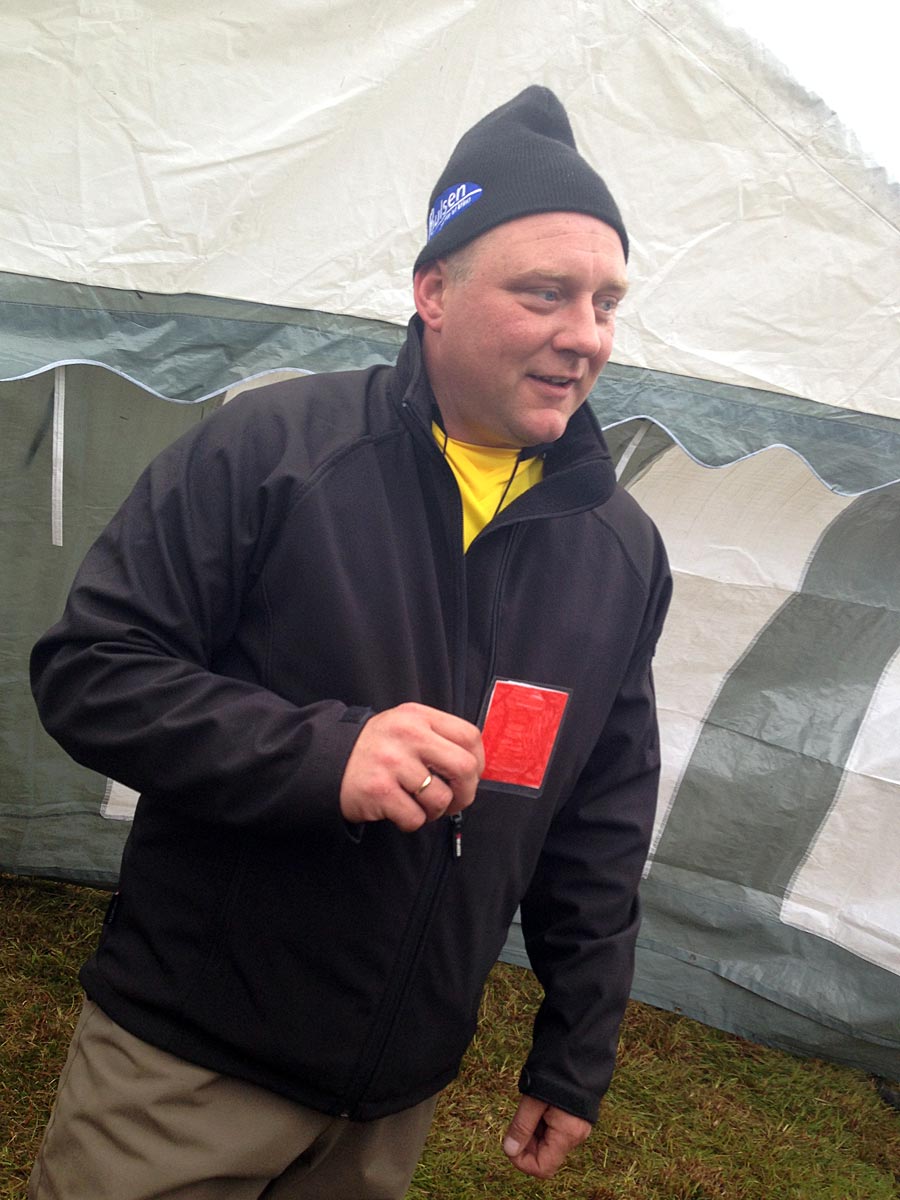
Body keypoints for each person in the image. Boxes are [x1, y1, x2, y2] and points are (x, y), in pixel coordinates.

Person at [29, 85, 671, 1199]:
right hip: (185, 1064)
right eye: (545, 293)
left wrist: (575, 1050)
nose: (586, 335)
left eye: (608, 302)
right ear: (433, 290)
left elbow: (599, 819)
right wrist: (326, 755)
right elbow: (93, 674)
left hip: (393, 1097)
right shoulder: (273, 448)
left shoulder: (616, 548)